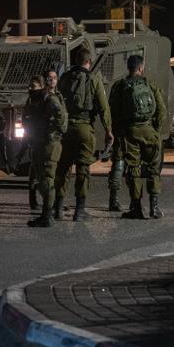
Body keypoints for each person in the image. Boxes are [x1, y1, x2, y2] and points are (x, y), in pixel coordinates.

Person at [53, 49, 112, 222]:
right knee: (83, 169)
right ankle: (79, 210)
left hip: (65, 129)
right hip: (84, 128)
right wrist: (108, 130)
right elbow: (103, 108)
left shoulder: (64, 78)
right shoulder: (93, 79)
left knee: (62, 168)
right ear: (89, 61)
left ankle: (58, 208)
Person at [111, 54, 167, 219]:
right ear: (141, 68)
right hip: (149, 131)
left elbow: (114, 112)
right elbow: (161, 110)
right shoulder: (150, 84)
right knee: (153, 169)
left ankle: (136, 208)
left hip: (130, 133)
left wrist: (119, 133)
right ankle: (154, 208)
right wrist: (155, 129)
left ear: (128, 68)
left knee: (134, 169)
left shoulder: (120, 86)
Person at [25, 75, 68, 227]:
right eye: (30, 86)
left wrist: (53, 132)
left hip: (49, 144)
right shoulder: (34, 101)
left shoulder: (50, 99)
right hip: (38, 143)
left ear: (42, 87)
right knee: (41, 178)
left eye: (34, 86)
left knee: (47, 179)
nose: (30, 89)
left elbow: (62, 118)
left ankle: (47, 215)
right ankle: (46, 213)